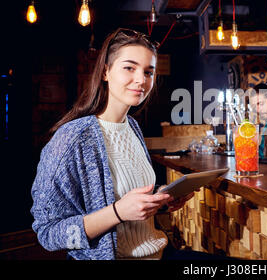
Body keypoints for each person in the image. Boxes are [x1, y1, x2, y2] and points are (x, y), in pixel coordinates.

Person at [30, 28, 222, 260]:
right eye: (129, 68)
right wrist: (117, 212)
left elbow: (130, 203)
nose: (141, 80)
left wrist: (159, 200)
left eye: (148, 72)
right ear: (105, 72)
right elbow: (48, 233)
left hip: (159, 252)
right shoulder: (72, 138)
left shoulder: (132, 127)